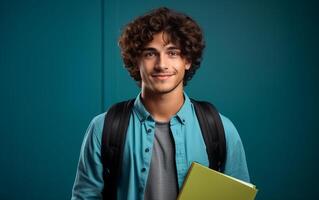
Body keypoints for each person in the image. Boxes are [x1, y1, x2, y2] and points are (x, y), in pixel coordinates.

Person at [71, 7, 250, 200]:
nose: (161, 64)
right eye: (150, 53)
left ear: (187, 60)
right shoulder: (103, 127)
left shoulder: (221, 129)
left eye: (172, 53)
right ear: (136, 60)